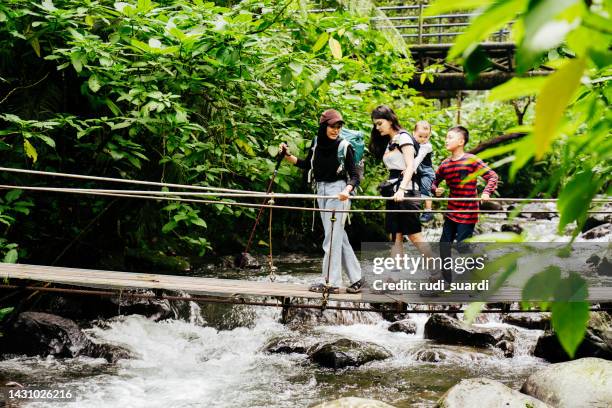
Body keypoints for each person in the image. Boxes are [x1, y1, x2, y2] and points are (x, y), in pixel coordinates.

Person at [280, 109, 364, 294]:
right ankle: (357, 278)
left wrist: (346, 190)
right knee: (337, 237)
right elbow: (306, 164)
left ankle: (331, 282)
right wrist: (288, 156)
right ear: (324, 126)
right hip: (321, 190)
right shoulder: (317, 143)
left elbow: (355, 175)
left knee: (332, 238)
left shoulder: (345, 146)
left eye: (339, 126)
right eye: (332, 126)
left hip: (338, 192)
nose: (336, 130)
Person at [432, 126, 499, 283]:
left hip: (468, 211)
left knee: (462, 247)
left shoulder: (472, 160)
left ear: (461, 141)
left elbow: (492, 176)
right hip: (451, 210)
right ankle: (447, 280)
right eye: (446, 137)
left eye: (450, 137)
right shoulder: (445, 164)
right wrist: (435, 189)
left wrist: (486, 192)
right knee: (444, 245)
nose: (446, 140)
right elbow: (433, 180)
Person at [369, 105, 433, 260]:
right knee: (395, 237)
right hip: (394, 191)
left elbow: (410, 165)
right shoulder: (391, 140)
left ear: (390, 120)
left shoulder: (403, 137)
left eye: (380, 123)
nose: (377, 128)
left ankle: (438, 272)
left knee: (415, 236)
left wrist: (402, 189)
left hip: (406, 191)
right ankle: (395, 278)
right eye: (375, 124)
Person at [412, 121, 435, 223]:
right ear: (414, 133)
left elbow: (419, 157)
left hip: (426, 172)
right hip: (418, 170)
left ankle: (428, 211)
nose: (422, 139)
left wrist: (411, 169)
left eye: (426, 137)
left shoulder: (427, 146)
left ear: (429, 136)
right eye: (420, 136)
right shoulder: (412, 142)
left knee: (425, 190)